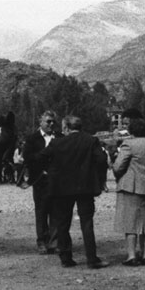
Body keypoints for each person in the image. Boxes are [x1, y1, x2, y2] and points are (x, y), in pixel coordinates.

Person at [40, 115, 109, 269]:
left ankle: (65, 258)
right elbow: (101, 160)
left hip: (62, 188)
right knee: (87, 223)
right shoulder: (91, 141)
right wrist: (96, 176)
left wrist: (51, 172)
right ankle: (92, 259)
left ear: (66, 128)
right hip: (85, 187)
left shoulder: (56, 143)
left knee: (63, 224)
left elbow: (42, 158)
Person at [112, 118, 145, 266]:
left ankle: (132, 255)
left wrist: (119, 177)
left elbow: (118, 166)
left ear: (131, 131)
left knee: (130, 223)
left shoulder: (128, 144)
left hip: (131, 188)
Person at [22, 110, 61, 254]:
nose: (51, 124)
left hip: (57, 181)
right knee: (41, 212)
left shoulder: (60, 137)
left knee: (56, 212)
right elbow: (27, 158)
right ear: (41, 122)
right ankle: (42, 241)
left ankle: (54, 241)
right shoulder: (32, 139)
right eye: (48, 121)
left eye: (53, 121)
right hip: (39, 181)